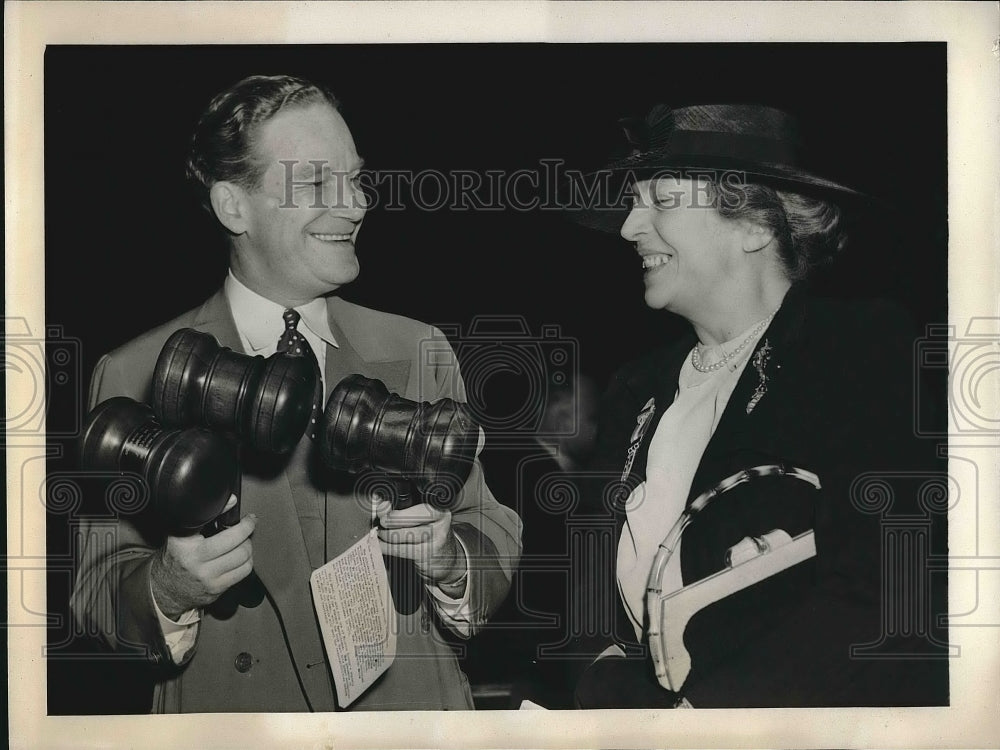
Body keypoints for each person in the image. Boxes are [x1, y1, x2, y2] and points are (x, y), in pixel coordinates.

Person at [71, 74, 521, 712]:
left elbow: (490, 525)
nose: (357, 204)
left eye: (356, 177)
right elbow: (95, 591)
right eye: (315, 183)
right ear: (234, 206)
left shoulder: (419, 349)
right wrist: (168, 590)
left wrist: (451, 563)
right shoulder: (135, 372)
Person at [569, 104, 948, 708]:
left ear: (756, 226)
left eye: (662, 200)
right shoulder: (634, 389)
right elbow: (581, 612)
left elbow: (887, 591)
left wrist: (707, 723)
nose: (628, 226)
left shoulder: (858, 348)